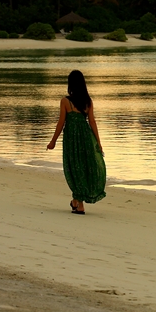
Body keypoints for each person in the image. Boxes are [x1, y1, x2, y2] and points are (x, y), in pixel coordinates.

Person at [47, 70, 106, 214]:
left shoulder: (65, 101)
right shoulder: (87, 102)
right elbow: (92, 122)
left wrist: (53, 141)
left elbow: (61, 122)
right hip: (85, 137)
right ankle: (75, 201)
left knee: (75, 167)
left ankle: (80, 204)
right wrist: (98, 142)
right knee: (83, 166)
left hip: (72, 139)